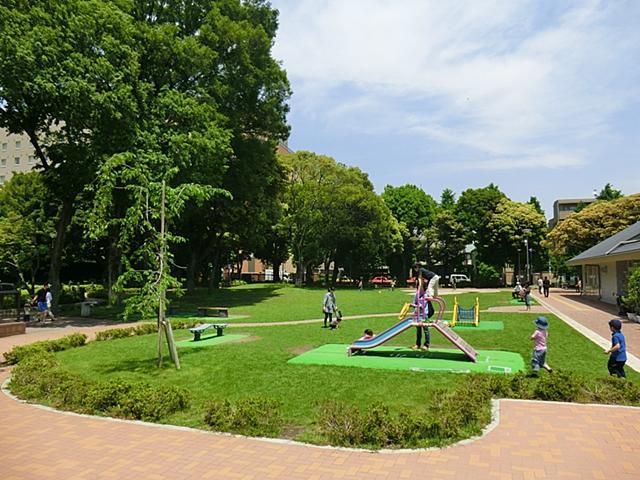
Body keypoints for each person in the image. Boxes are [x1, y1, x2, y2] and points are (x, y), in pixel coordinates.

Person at [411, 263, 439, 351]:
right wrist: (413, 305)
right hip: (418, 315)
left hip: (424, 314)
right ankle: (417, 344)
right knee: (418, 330)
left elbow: (423, 305)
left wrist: (417, 305)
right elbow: (414, 304)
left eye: (421, 286)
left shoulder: (426, 294)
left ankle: (426, 345)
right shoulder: (417, 294)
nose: (420, 287)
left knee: (426, 329)